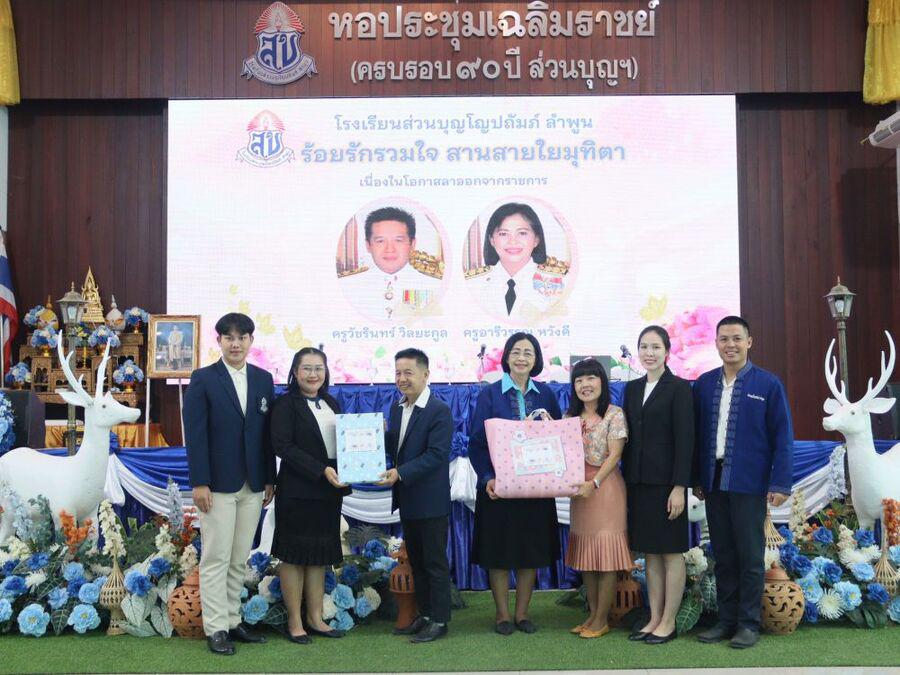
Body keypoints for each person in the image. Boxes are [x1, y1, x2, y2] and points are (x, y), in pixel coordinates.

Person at [693, 316, 793, 649]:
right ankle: (726, 621)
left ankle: (748, 624)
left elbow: (783, 437)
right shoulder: (704, 384)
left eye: (737, 338)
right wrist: (696, 478)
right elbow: (696, 436)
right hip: (713, 481)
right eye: (724, 339)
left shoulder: (768, 384)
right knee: (723, 554)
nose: (730, 345)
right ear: (716, 343)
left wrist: (780, 483)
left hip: (750, 482)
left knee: (750, 556)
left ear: (749, 342)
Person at [183, 312, 275, 656]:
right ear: (219, 341)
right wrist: (200, 482)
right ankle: (216, 628)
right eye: (229, 338)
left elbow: (266, 436)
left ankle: (234, 620)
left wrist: (269, 478)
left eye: (242, 337)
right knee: (216, 558)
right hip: (217, 485)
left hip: (254, 483)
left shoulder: (264, 379)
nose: (236, 344)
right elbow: (195, 434)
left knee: (238, 559)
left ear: (251, 341)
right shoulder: (203, 379)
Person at [468, 332, 561, 635]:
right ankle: (502, 615)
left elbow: (557, 438)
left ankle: (522, 614)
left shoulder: (546, 394)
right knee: (498, 553)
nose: (522, 358)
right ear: (507, 356)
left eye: (528, 353)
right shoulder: (490, 394)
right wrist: (487, 478)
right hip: (499, 488)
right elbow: (477, 443)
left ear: (536, 360)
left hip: (536, 490)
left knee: (529, 552)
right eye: (516, 352)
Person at [270, 347, 350, 644]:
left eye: (319, 368)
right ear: (294, 372)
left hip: (329, 491)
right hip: (298, 491)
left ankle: (316, 618)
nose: (313, 374)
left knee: (319, 556)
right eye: (307, 368)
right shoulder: (285, 404)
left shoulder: (332, 402)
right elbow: (283, 446)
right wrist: (320, 470)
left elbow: (344, 442)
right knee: (294, 556)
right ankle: (295, 621)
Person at [622, 326, 694, 645]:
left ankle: (669, 621)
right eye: (643, 346)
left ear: (667, 351)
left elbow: (685, 440)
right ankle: (654, 617)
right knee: (650, 553)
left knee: (671, 552)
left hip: (667, 486)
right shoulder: (632, 389)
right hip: (638, 484)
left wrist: (679, 486)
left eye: (655, 347)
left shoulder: (679, 388)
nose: (649, 353)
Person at [378, 348, 454, 643]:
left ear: (425, 374)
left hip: (430, 501)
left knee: (434, 563)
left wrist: (400, 473)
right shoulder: (398, 408)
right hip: (408, 499)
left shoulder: (439, 410)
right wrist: (374, 436)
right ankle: (425, 614)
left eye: (408, 372)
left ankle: (440, 620)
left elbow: (436, 455)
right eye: (398, 373)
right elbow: (397, 446)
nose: (402, 379)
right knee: (418, 563)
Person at [564, 358, 631, 639]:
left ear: (602, 382)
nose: (585, 385)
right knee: (587, 558)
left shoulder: (615, 414)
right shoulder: (569, 418)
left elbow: (615, 456)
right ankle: (592, 616)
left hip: (605, 488)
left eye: (591, 378)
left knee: (605, 557)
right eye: (579, 380)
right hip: (580, 492)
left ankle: (602, 620)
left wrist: (594, 482)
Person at [465, 203, 567, 321]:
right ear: (491, 240)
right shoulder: (472, 284)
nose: (512, 241)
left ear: (536, 239)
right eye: (503, 234)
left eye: (522, 233)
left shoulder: (559, 283)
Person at [338, 206, 442, 320]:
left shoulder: (435, 286)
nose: (390, 249)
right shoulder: (346, 286)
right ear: (368, 245)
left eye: (398, 240)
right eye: (380, 241)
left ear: (412, 244)